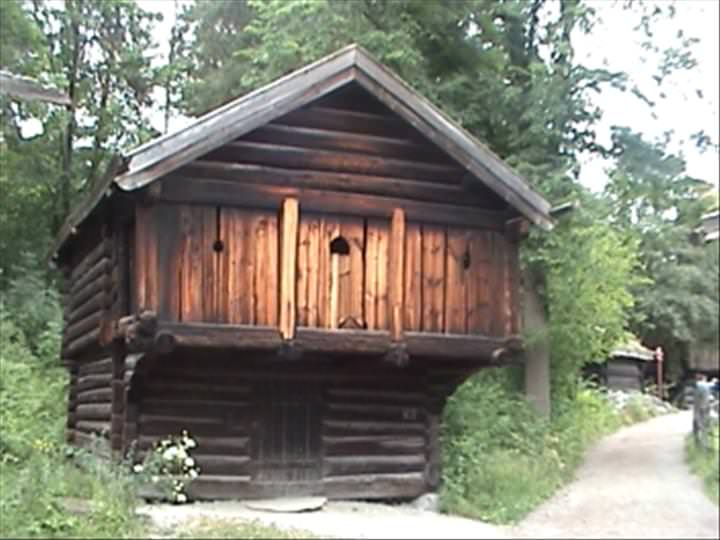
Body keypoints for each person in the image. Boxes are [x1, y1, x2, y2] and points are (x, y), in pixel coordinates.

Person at [693, 373, 712, 448]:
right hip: (706, 406)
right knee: (705, 426)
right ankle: (705, 444)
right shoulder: (707, 385)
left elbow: (696, 398)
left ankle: (700, 444)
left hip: (699, 407)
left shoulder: (697, 385)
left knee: (698, 424)